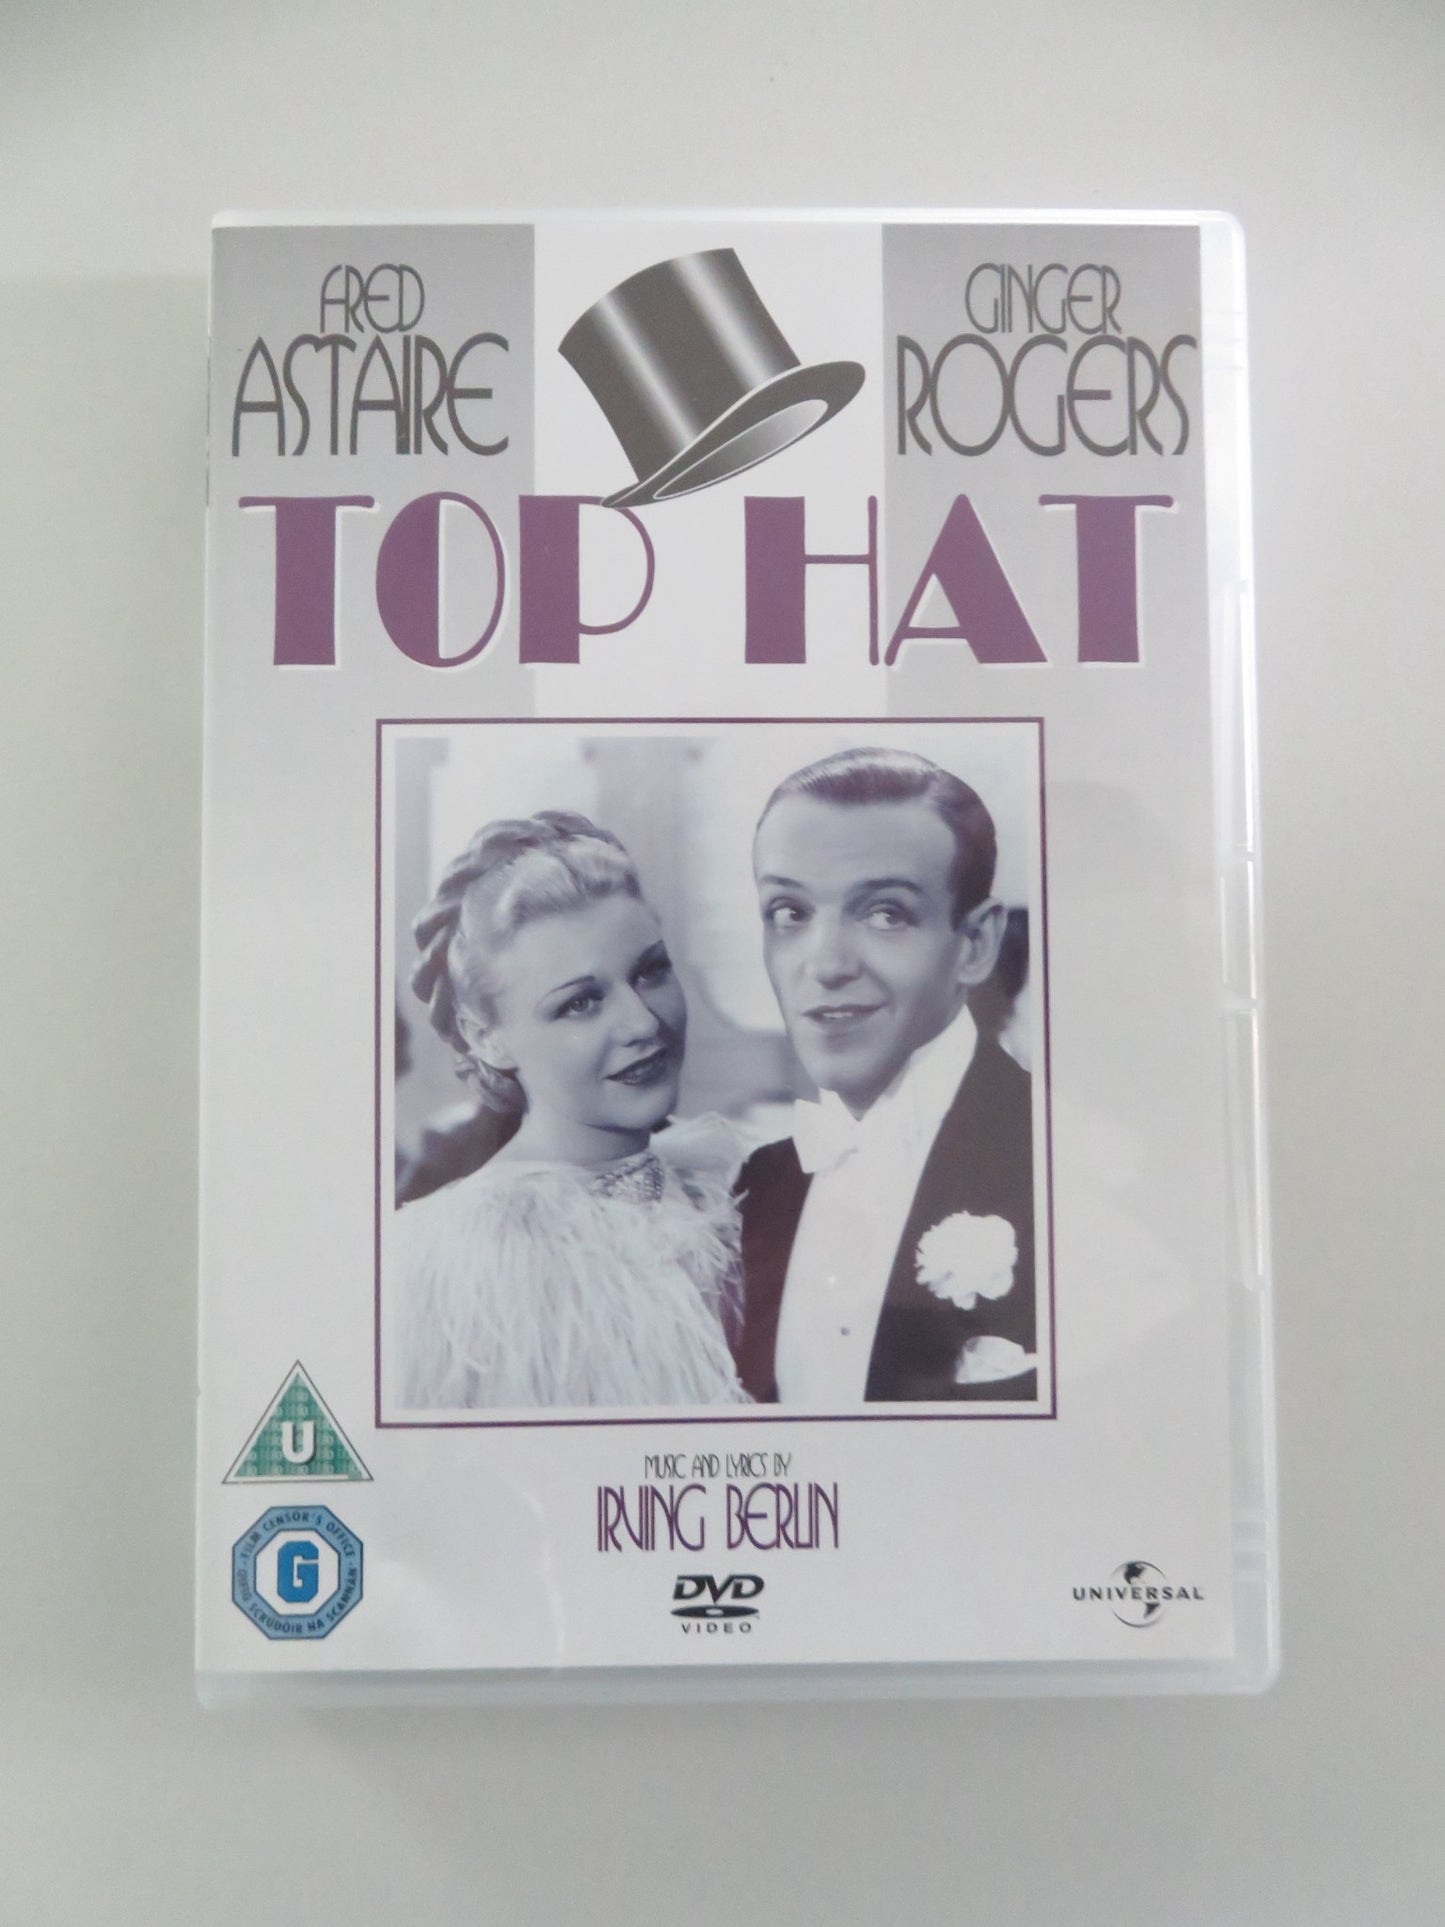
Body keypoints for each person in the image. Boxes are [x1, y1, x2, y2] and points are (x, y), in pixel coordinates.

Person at [396, 811, 748, 1411]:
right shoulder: (456, 1262)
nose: (642, 1024)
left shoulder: (733, 1188)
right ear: (487, 1037)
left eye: (651, 972)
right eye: (580, 1004)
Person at [733, 748, 1037, 1404]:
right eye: (790, 912)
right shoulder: (758, 1187)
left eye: (885, 913)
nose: (826, 965)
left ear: (975, 944)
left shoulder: (1058, 1160)